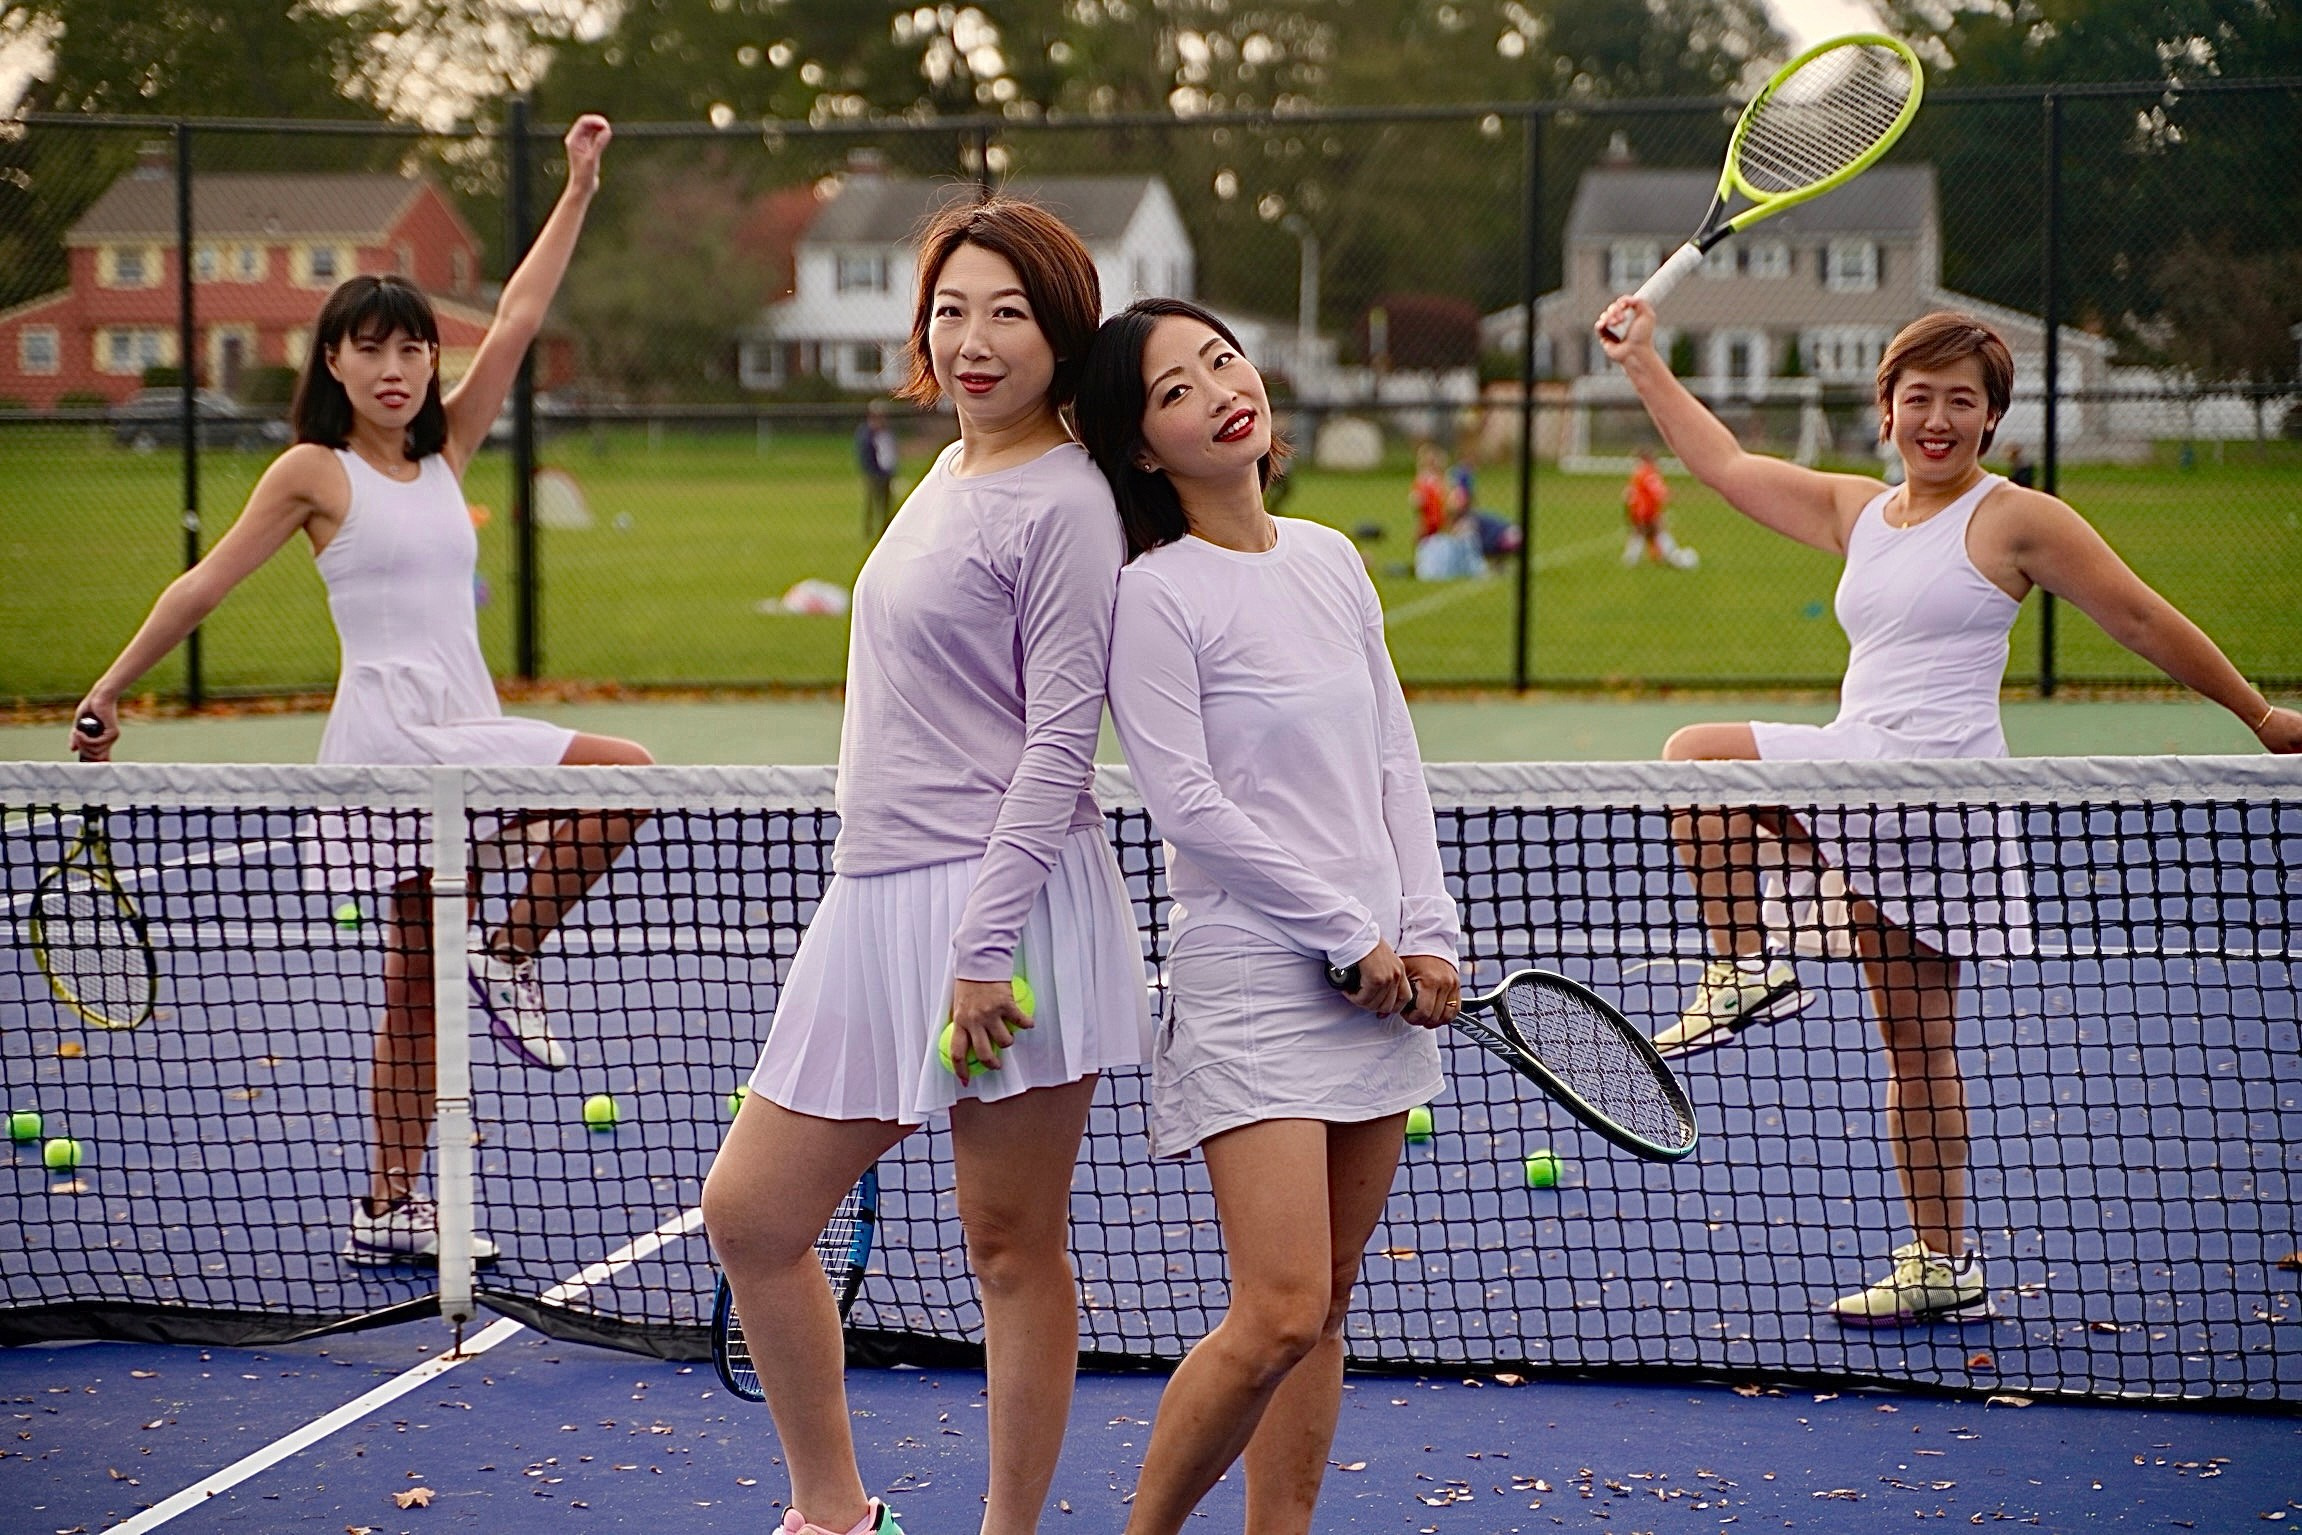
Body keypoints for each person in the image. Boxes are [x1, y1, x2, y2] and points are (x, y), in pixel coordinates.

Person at [1594, 296, 2302, 1326]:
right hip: (1856, 772)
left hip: (1936, 798)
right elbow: (1727, 467)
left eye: (1959, 401)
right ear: (1884, 411)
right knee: (1701, 775)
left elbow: (2139, 615)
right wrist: (1645, 362)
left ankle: (1771, 998)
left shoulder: (2017, 517)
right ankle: (1926, 1236)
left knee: (1912, 1040)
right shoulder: (1857, 513)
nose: (1937, 417)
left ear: (1989, 419)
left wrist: (2258, 714)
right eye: (1916, 396)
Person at [70, 116, 654, 1268]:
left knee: (599, 814)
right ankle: (409, 1163)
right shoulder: (311, 472)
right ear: (332, 363)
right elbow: (203, 584)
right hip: (391, 740)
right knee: (435, 963)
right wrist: (112, 683)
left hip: (464, 721)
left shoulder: (445, 458)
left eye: (413, 349)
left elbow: (524, 315)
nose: (396, 368)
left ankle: (442, 1088)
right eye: (371, 350)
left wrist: (579, 186)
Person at [700, 196, 1147, 1535]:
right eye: (952, 307)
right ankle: (835, 1511)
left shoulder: (1069, 501)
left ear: (1063, 332)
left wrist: (980, 944)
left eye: (1009, 310)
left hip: (1004, 912)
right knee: (753, 1214)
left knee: (1008, 1245)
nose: (974, 337)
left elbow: (1063, 740)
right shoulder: (947, 469)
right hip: (878, 895)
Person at [1075, 296, 1463, 1535]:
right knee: (1281, 1304)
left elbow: (1394, 755)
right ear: (1142, 447)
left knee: (1329, 1304)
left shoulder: (1332, 556)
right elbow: (1184, 804)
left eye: (1220, 360)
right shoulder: (1154, 594)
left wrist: (1427, 926)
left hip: (1379, 972)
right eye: (1175, 390)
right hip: (1254, 975)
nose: (1217, 390)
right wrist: (1343, 930)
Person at [1622, 448, 1699, 569]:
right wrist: (1667, 496)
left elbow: (1629, 494)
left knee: (1644, 533)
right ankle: (1673, 556)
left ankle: (1632, 559)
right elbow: (1657, 491)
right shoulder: (1648, 472)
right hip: (1646, 509)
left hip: (1638, 509)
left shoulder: (1638, 473)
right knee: (1655, 531)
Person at [855, 399, 899, 537]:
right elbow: (865, 453)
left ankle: (885, 527)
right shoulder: (866, 433)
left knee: (886, 501)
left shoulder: (886, 432)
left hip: (886, 471)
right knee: (871, 500)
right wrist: (870, 470)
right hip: (873, 472)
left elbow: (890, 451)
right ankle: (868, 528)